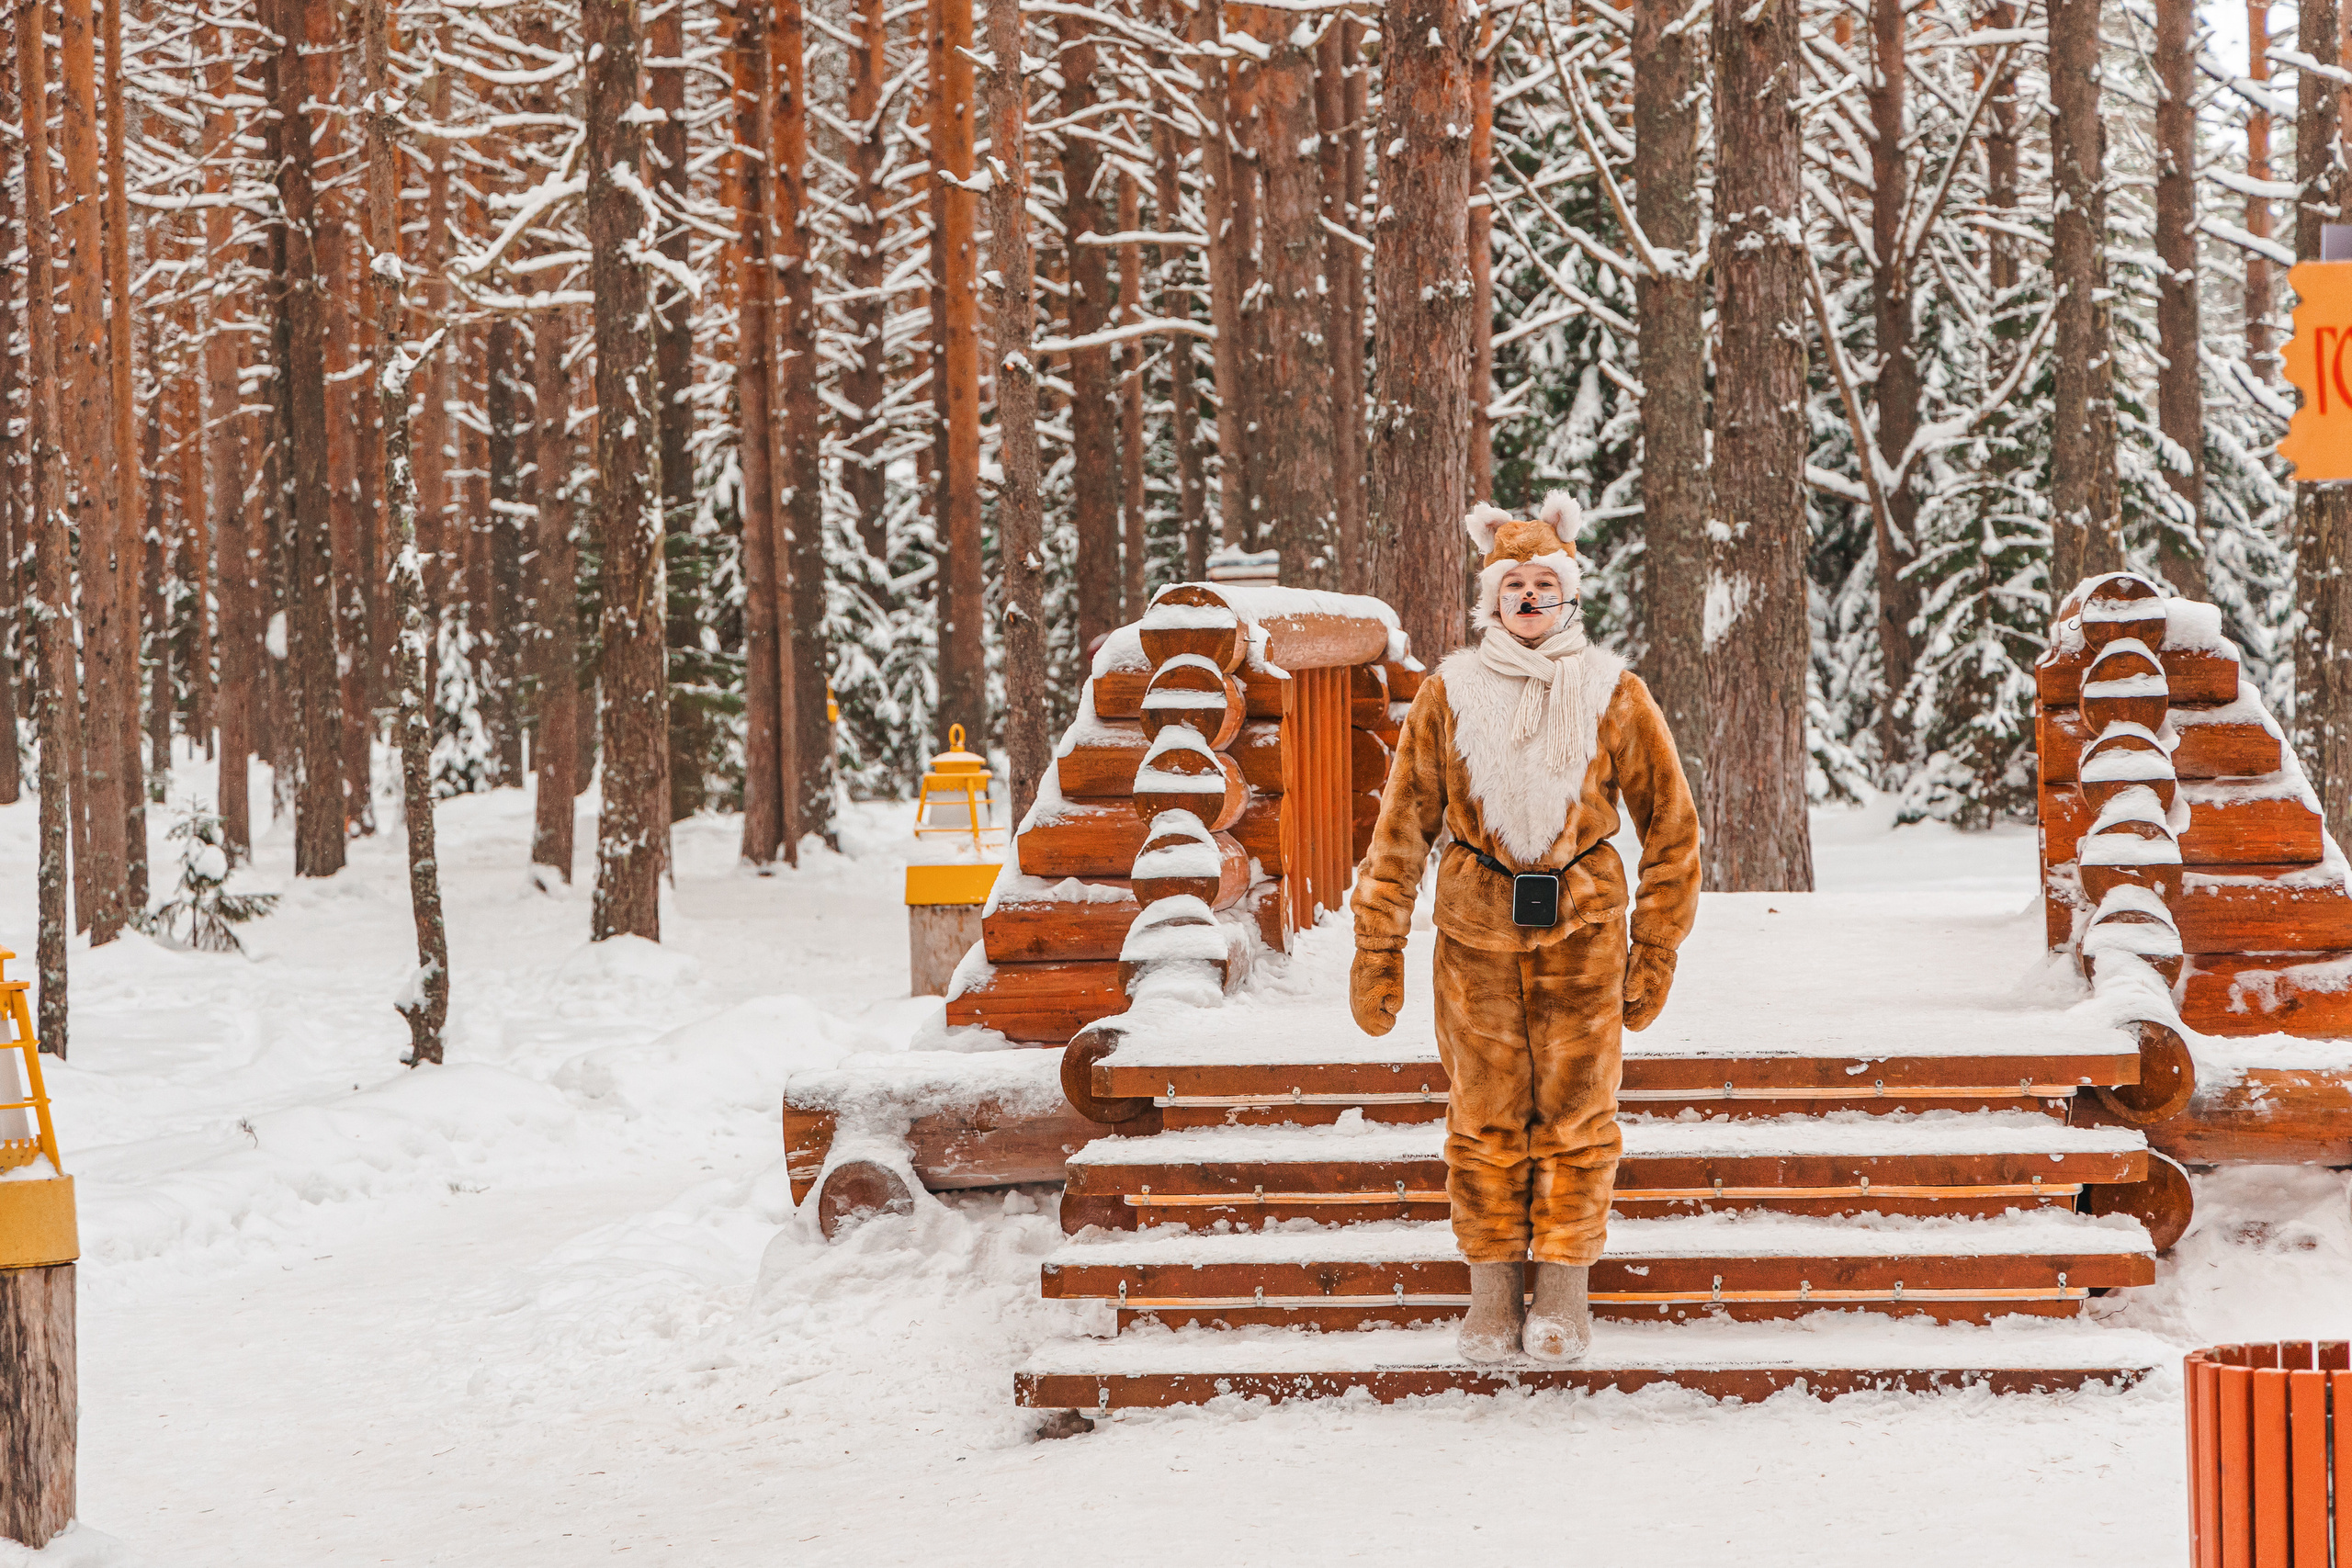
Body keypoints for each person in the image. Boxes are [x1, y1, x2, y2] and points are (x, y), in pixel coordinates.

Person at [1349, 494, 1701, 1363]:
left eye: (1547, 581)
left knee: (1580, 1116)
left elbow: (1672, 825)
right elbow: (1401, 826)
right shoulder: (1447, 692)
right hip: (1473, 938)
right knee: (1482, 1117)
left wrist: (1654, 946)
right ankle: (1493, 1290)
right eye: (1517, 584)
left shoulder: (1616, 691)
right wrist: (1378, 945)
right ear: (1493, 597)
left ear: (1570, 592)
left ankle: (1565, 1289)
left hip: (1583, 934)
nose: (1532, 596)